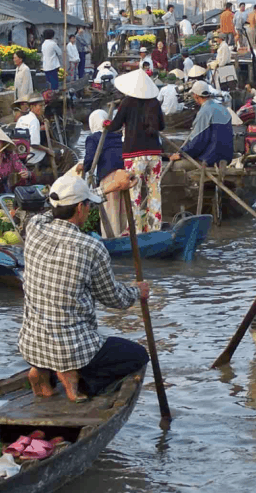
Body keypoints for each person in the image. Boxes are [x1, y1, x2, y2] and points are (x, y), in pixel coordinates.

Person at [18, 173, 150, 403]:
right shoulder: (91, 247)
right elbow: (115, 299)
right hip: (73, 349)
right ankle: (76, 379)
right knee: (138, 356)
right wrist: (138, 291)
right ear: (80, 208)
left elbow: (56, 209)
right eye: (87, 205)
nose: (89, 209)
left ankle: (43, 369)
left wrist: (108, 188)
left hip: (32, 345)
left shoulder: (34, 227)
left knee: (55, 333)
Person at [105, 69, 167, 233]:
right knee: (155, 191)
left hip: (134, 155)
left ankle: (136, 230)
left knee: (134, 193)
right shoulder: (154, 103)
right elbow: (162, 126)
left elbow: (115, 125)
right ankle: (154, 228)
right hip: (155, 154)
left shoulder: (127, 102)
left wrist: (107, 124)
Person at [79, 109, 127, 237]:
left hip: (109, 177)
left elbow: (89, 160)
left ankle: (112, 238)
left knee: (111, 210)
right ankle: (125, 235)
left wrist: (84, 167)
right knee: (124, 210)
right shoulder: (117, 136)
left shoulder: (93, 138)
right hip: (125, 175)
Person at [181, 81, 233, 166]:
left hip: (210, 158)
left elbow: (198, 143)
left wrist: (181, 153)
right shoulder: (223, 109)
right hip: (227, 157)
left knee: (177, 166)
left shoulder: (204, 111)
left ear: (195, 96)